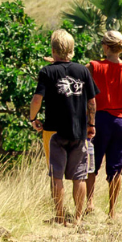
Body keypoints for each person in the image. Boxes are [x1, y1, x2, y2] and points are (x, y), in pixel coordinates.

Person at [29, 30, 98, 225]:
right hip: (78, 130)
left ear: (53, 49)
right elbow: (92, 101)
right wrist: (91, 124)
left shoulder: (47, 71)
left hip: (53, 132)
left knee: (56, 175)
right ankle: (77, 217)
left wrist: (32, 118)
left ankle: (60, 216)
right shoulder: (82, 71)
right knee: (80, 176)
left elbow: (36, 99)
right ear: (72, 50)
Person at [86, 30, 122, 219]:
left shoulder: (93, 66)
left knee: (92, 164)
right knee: (116, 167)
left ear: (106, 46)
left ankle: (90, 203)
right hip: (120, 122)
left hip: (98, 120)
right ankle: (112, 212)